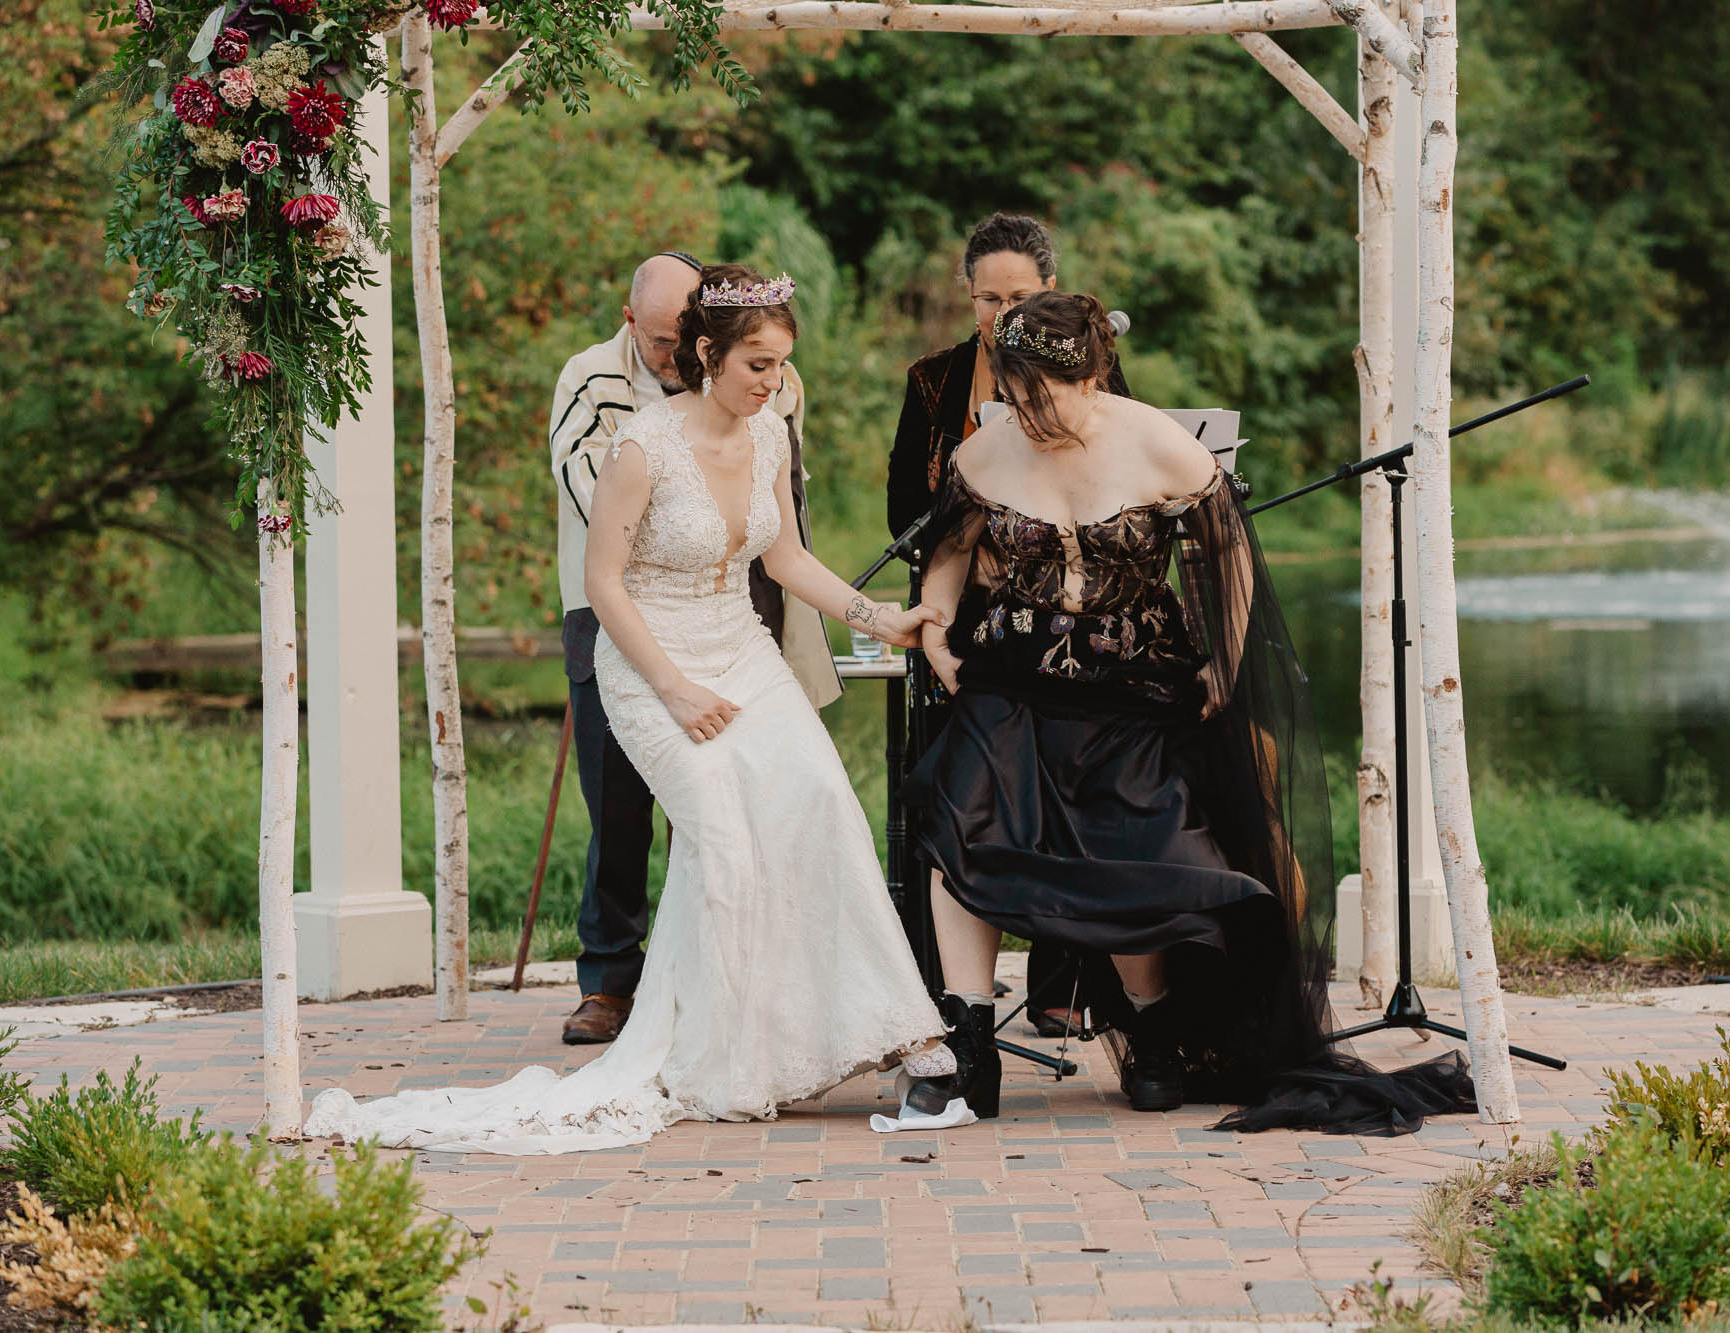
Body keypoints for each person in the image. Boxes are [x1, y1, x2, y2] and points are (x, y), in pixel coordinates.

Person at [307, 266, 966, 1153]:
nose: (774, 383)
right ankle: (724, 1058)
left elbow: (786, 562)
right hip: (649, 661)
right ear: (708, 354)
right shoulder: (641, 447)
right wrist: (674, 687)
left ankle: (899, 1032)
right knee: (723, 836)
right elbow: (602, 583)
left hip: (742, 647)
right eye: (758, 365)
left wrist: (880, 616)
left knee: (821, 804)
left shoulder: (768, 430)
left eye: (781, 365)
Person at [899, 290, 1477, 1134]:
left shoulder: (1160, 444)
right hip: (1014, 679)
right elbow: (948, 551)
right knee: (962, 822)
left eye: (1043, 393)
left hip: (1131, 688)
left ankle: (1154, 1029)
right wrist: (941, 629)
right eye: (1015, 392)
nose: (1027, 410)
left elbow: (1229, 553)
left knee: (1137, 851)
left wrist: (1223, 658)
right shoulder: (990, 449)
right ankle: (970, 1037)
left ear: (1091, 375)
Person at [547, 251, 839, 1045]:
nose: (667, 352)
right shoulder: (593, 380)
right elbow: (587, 490)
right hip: (615, 608)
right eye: (657, 337)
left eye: (680, 334)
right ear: (628, 316)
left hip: (728, 606)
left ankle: (720, 977)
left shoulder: (766, 378)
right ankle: (609, 980)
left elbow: (773, 492)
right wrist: (666, 472)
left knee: (732, 808)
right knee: (617, 807)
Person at [885, 212, 1129, 1037]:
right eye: (987, 297)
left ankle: (1063, 987)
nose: (1001, 313)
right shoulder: (932, 381)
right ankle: (950, 994)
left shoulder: (1092, 371)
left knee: (1072, 797)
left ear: (1050, 293)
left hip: (1068, 619)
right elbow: (905, 509)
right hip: (966, 620)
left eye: (1018, 296)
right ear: (969, 295)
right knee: (966, 805)